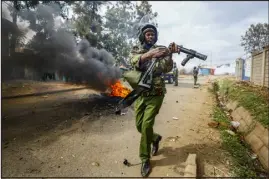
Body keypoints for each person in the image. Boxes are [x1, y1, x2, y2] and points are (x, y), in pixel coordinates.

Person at [129, 23, 178, 177]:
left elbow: (166, 68)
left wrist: (169, 54)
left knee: (146, 125)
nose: (150, 36)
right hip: (140, 93)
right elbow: (133, 61)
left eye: (153, 34)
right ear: (143, 36)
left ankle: (144, 159)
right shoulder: (137, 49)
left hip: (156, 93)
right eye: (148, 34)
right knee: (139, 126)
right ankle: (155, 138)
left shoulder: (162, 49)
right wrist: (150, 55)